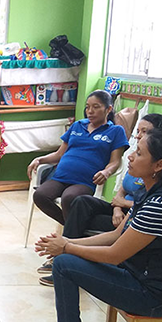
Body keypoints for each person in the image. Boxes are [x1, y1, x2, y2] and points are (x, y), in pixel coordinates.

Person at [28, 128, 162, 322]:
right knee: (64, 261)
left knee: (64, 264)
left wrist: (66, 248)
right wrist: (66, 242)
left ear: (159, 165)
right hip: (138, 277)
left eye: (139, 153)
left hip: (154, 296)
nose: (130, 156)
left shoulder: (161, 204)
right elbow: (114, 236)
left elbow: (114, 255)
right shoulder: (149, 192)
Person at [37, 113, 162, 287]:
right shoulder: (138, 161)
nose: (138, 136)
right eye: (138, 131)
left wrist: (124, 205)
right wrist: (117, 207)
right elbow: (122, 190)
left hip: (133, 218)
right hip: (122, 211)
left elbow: (146, 205)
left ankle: (66, 260)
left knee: (79, 218)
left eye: (144, 132)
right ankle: (66, 258)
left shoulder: (156, 174)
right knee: (81, 203)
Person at [27, 90, 129, 225]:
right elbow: (59, 154)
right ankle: (71, 228)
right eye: (87, 107)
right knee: (40, 195)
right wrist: (39, 159)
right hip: (61, 177)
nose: (90, 111)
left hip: (85, 181)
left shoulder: (116, 131)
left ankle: (70, 232)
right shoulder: (77, 125)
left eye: (96, 107)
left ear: (108, 109)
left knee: (69, 198)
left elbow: (115, 161)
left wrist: (106, 172)